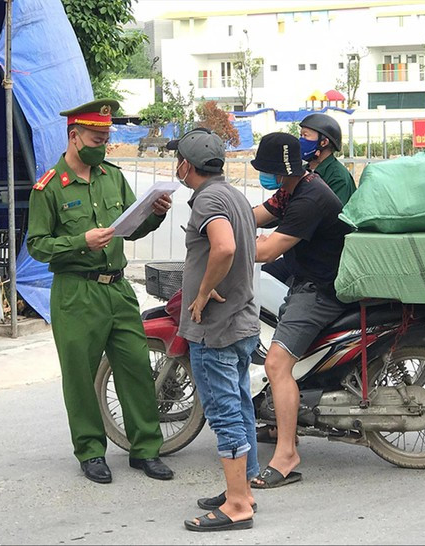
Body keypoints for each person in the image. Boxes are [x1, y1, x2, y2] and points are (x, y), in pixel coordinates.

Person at [26, 99, 174, 484]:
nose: (103, 145)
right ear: (75, 137)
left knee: (136, 368)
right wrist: (79, 242)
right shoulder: (48, 188)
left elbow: (131, 227)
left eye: (107, 138)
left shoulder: (112, 176)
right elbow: (37, 245)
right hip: (76, 294)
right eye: (97, 138)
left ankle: (145, 450)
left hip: (118, 289)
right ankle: (91, 451)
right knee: (80, 376)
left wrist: (154, 213)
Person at [249, 133, 352, 489]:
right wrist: (220, 221)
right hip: (305, 281)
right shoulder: (294, 188)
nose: (267, 176)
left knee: (276, 363)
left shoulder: (309, 198)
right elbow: (257, 215)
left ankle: (287, 454)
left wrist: (225, 244)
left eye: (268, 170)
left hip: (319, 291)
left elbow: (266, 251)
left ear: (280, 171)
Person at [169, 128, 261, 532]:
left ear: (186, 166)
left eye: (178, 161)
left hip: (216, 331)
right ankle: (244, 490)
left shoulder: (208, 199)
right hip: (242, 323)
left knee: (225, 416)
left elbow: (224, 248)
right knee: (240, 407)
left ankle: (238, 504)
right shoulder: (235, 195)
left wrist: (203, 294)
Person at [261, 113, 356, 288]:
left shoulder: (336, 177)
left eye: (305, 135)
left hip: (321, 264)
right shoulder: (301, 174)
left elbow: (316, 218)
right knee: (263, 276)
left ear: (323, 142)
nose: (300, 140)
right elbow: (273, 209)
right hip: (296, 256)